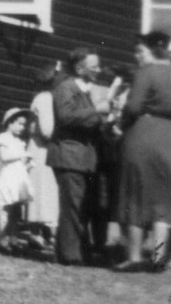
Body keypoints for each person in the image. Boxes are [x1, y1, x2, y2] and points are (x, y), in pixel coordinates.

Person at [113, 31, 171, 272]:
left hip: (143, 132)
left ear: (150, 49)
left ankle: (134, 257)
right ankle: (158, 257)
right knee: (162, 199)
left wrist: (122, 124)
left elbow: (133, 106)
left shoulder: (146, 72)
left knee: (135, 194)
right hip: (168, 136)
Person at [46, 46, 109, 266]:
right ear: (80, 68)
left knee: (80, 206)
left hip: (83, 158)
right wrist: (98, 111)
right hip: (69, 155)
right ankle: (70, 256)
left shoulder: (86, 90)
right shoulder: (66, 87)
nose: (99, 70)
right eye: (94, 67)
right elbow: (66, 117)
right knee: (73, 206)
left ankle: (74, 253)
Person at [26, 62, 60, 248]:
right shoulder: (45, 98)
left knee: (43, 191)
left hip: (41, 149)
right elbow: (47, 130)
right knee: (42, 190)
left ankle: (42, 233)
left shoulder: (43, 97)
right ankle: (37, 234)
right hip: (42, 150)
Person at [0, 108, 34, 253]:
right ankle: (2, 239)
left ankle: (14, 238)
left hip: (18, 178)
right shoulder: (3, 138)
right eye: (19, 124)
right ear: (9, 123)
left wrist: (28, 163)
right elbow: (4, 157)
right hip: (7, 177)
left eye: (24, 125)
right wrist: (21, 154)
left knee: (16, 211)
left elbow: (20, 161)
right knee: (6, 208)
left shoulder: (19, 141)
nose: (22, 128)